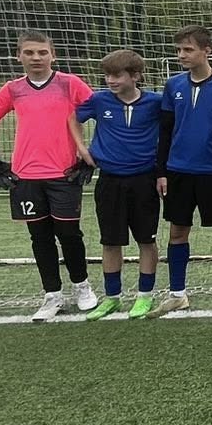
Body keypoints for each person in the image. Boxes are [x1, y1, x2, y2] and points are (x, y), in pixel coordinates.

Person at [0, 30, 97, 323]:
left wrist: (90, 158)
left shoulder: (70, 84)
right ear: (19, 56)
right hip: (25, 178)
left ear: (53, 55)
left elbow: (103, 114)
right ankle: (52, 294)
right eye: (29, 52)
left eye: (42, 52)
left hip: (64, 175)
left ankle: (82, 286)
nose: (36, 58)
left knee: (69, 234)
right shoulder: (13, 89)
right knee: (40, 237)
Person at [74, 49, 165, 321]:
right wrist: (82, 148)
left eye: (116, 75)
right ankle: (112, 297)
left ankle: (145, 296)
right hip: (109, 181)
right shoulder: (99, 100)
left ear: (135, 76)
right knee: (111, 241)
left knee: (146, 240)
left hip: (144, 180)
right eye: (107, 75)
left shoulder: (155, 102)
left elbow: (172, 129)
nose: (110, 80)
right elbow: (72, 118)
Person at [159, 27, 212, 316]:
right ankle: (177, 294)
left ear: (207, 51)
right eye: (179, 50)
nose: (181, 55)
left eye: (188, 49)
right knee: (177, 231)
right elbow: (165, 131)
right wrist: (161, 171)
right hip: (178, 170)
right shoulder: (173, 85)